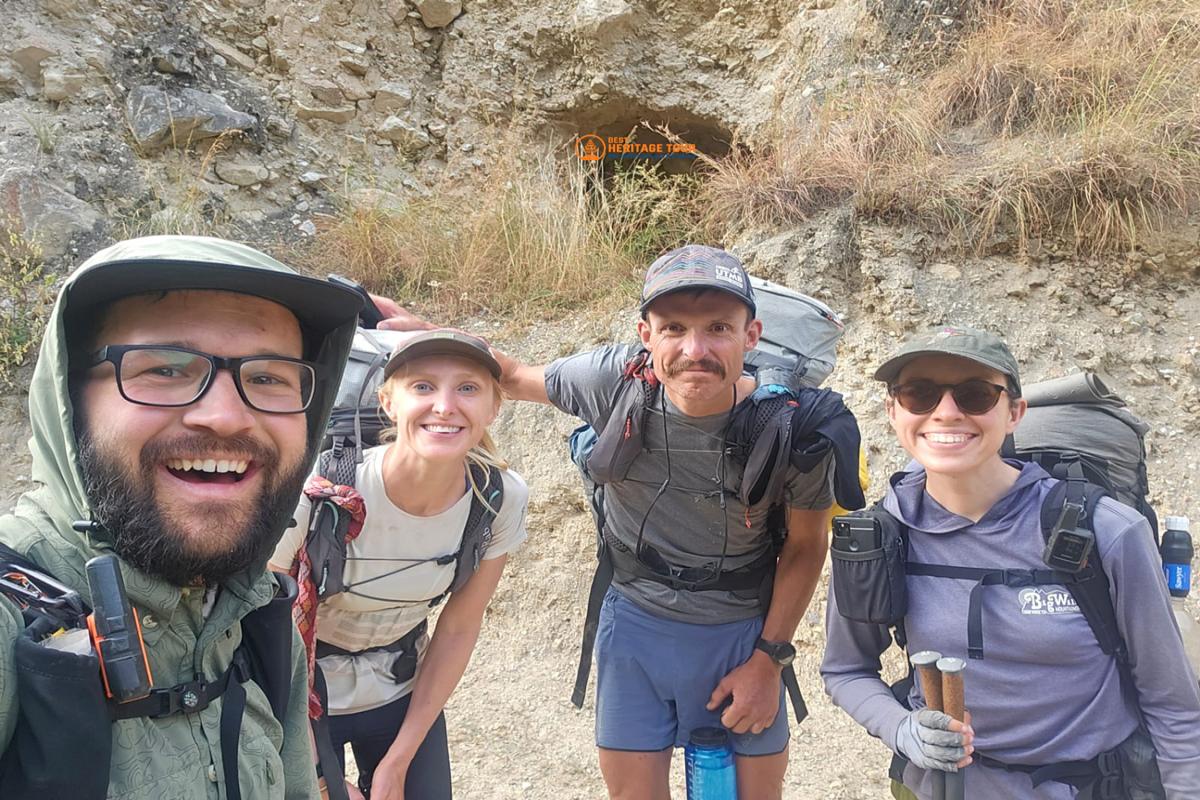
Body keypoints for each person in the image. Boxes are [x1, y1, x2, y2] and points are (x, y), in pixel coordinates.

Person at [0, 235, 364, 798]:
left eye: (268, 377)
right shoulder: (12, 619)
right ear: (70, 402)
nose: (224, 416)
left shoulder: (255, 616)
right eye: (166, 369)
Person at [493, 244, 862, 800]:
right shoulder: (610, 383)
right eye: (673, 329)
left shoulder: (793, 427)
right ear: (646, 335)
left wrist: (768, 661)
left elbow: (808, 547)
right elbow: (512, 374)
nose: (696, 350)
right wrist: (418, 338)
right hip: (635, 627)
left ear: (751, 335)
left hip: (741, 635)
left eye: (718, 328)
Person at [821, 326, 1200, 799]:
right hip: (941, 789)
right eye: (919, 394)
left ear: (1014, 412)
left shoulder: (1106, 530)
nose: (945, 412)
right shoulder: (878, 537)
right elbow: (845, 670)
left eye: (975, 395)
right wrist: (901, 728)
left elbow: (1175, 704)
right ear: (893, 410)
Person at [271, 330, 529, 800]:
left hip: (399, 688)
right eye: (423, 387)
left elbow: (457, 628)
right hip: (296, 698)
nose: (446, 406)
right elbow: (263, 626)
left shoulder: (497, 499)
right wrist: (318, 773)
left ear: (494, 407)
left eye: (467, 388)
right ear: (389, 402)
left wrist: (399, 760)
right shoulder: (319, 491)